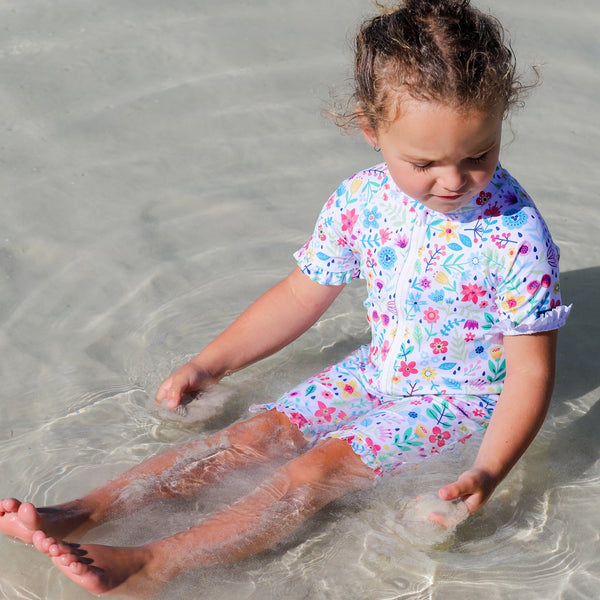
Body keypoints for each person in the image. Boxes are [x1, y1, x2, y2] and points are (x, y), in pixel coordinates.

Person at [0, 0, 570, 596]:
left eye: (478, 154)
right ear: (371, 131)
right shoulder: (362, 200)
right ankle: (78, 511)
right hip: (376, 371)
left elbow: (531, 375)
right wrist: (211, 363)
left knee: (313, 471)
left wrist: (488, 470)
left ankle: (153, 564)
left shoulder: (516, 237)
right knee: (248, 438)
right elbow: (302, 294)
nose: (454, 181)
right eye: (424, 162)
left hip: (458, 402)